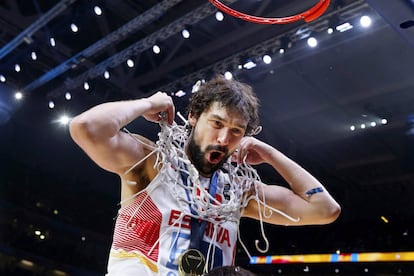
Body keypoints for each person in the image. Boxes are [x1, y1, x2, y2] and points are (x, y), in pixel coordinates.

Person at [69, 75, 341, 275]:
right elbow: (86, 127)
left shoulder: (237, 193)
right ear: (194, 116)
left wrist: (268, 152)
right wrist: (147, 103)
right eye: (217, 123)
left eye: (237, 131)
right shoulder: (151, 163)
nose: (224, 138)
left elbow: (324, 210)